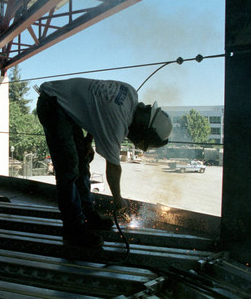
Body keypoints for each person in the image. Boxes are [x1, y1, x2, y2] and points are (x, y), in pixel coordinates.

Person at [36, 78, 172, 248]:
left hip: (63, 105)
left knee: (82, 161)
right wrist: (118, 199)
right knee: (68, 169)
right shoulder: (118, 123)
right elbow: (113, 168)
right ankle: (73, 229)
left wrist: (88, 141)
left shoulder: (130, 93)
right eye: (143, 141)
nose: (138, 143)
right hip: (53, 103)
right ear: (144, 127)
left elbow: (98, 110)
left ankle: (88, 215)